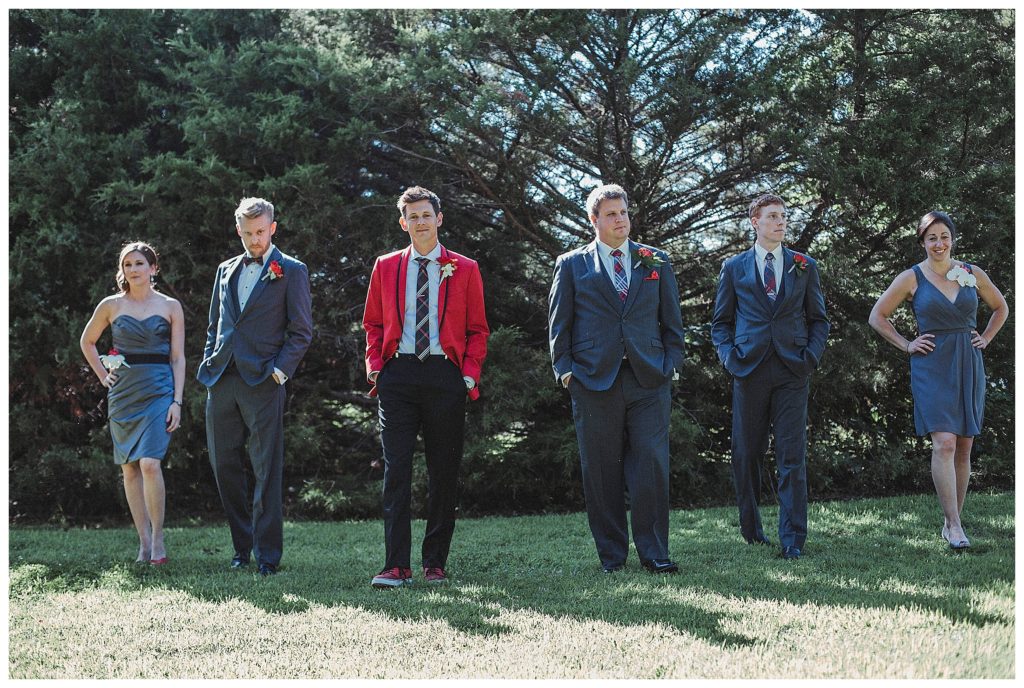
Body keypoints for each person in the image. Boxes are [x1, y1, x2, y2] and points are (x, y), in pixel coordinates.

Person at [548, 183, 685, 574]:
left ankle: (655, 552)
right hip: (593, 380)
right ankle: (612, 556)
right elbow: (559, 324)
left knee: (651, 465)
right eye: (611, 214)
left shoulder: (655, 261)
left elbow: (672, 320)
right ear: (594, 220)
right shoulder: (571, 264)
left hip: (649, 378)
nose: (620, 219)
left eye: (623, 212)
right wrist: (566, 373)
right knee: (601, 470)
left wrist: (671, 363)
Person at [362, 186, 489, 588]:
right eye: (412, 216)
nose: (420, 222)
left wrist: (467, 375)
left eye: (426, 215)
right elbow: (373, 324)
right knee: (397, 470)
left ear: (439, 219)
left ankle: (435, 562)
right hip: (397, 375)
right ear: (403, 223)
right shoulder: (386, 266)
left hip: (444, 375)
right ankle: (395, 566)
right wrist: (376, 369)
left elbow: (478, 330)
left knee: (443, 471)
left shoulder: (465, 268)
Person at [868, 211, 1007, 550]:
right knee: (944, 442)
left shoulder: (972, 273)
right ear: (923, 242)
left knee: (964, 445)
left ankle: (951, 522)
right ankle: (955, 526)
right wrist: (907, 344)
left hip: (968, 362)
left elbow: (1000, 307)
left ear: (952, 239)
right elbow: (877, 316)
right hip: (931, 365)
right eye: (932, 238)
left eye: (944, 236)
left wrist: (986, 337)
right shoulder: (911, 277)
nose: (939, 243)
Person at [197, 197, 313, 576]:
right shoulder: (225, 269)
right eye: (248, 233)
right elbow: (216, 325)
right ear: (239, 231)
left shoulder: (291, 270)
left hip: (263, 381)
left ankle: (267, 555)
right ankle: (240, 548)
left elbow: (301, 332)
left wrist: (279, 373)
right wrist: (210, 361)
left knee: (266, 469)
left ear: (272, 228)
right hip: (222, 380)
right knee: (224, 466)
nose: (255, 239)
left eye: (261, 232)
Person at [711, 193, 829, 560]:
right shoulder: (734, 267)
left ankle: (792, 538)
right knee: (746, 453)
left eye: (783, 216)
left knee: (792, 455)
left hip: (793, 369)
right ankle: (752, 530)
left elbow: (819, 320)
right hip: (749, 369)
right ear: (755, 222)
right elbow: (720, 323)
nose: (781, 222)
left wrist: (810, 357)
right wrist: (730, 359)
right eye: (773, 216)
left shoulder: (804, 265)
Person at [80, 241, 185, 565]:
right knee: (129, 469)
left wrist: (177, 401)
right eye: (127, 265)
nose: (133, 270)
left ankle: (158, 539)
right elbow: (87, 341)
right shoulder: (111, 305)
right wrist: (102, 376)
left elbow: (178, 358)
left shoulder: (171, 306)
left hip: (159, 390)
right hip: (124, 393)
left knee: (150, 463)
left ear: (153, 268)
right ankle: (143, 542)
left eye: (139, 263)